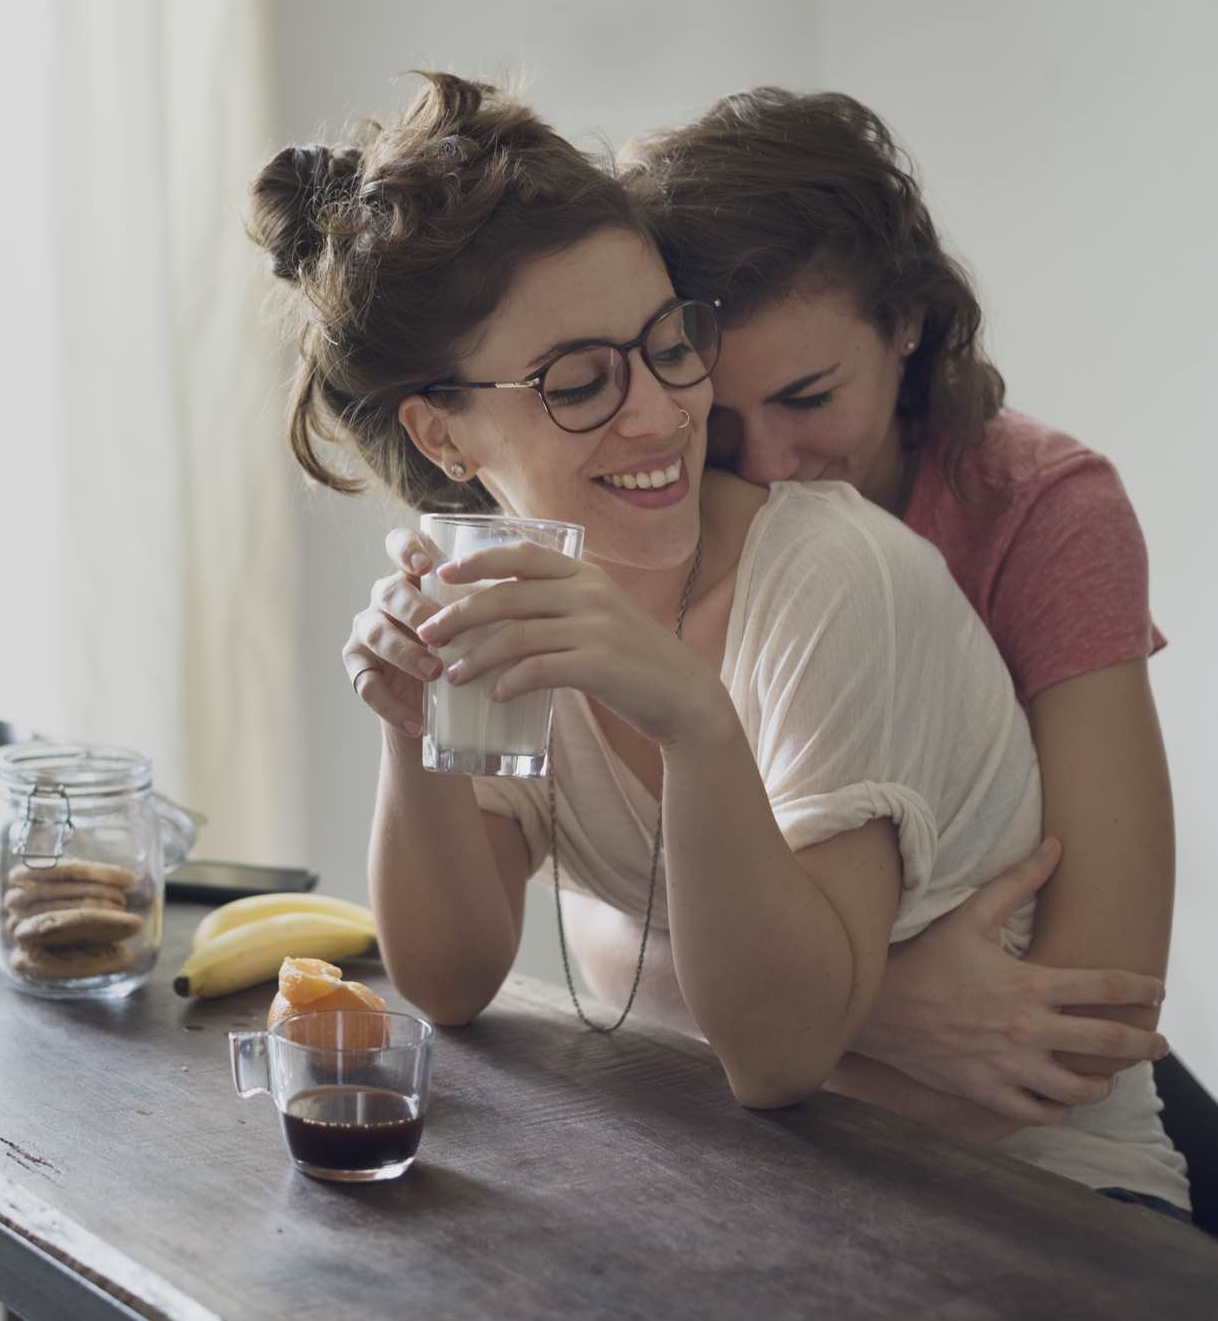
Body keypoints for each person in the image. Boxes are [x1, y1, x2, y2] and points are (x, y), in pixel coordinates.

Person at [248, 72, 1188, 1219]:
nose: (669, 419)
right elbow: (450, 979)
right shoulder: (510, 576)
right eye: (582, 382)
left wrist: (694, 719)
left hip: (1022, 1194)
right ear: (441, 433)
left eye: (666, 348)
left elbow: (798, 1049)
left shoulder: (870, 562)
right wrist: (412, 722)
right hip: (774, 1175)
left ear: (903, 332)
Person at [619, 90, 1184, 1212]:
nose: (767, 465)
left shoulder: (1041, 512)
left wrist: (799, 1020)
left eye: (809, 398)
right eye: (716, 422)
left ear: (910, 323)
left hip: (1015, 1155)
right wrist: (883, 1007)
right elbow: (610, 919)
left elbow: (1097, 1011)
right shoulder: (657, 516)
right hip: (802, 1129)